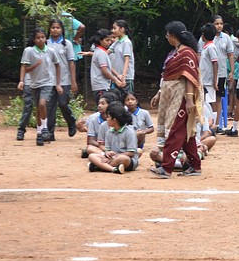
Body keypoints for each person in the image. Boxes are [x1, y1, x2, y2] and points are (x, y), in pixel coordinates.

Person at [149, 21, 203, 178]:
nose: (166, 37)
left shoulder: (187, 53)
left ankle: (166, 168)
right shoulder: (175, 52)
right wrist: (160, 92)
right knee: (186, 133)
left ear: (173, 36)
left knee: (175, 130)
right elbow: (167, 76)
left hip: (181, 98)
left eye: (167, 35)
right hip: (170, 96)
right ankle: (195, 166)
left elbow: (190, 78)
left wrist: (190, 100)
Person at [17, 27, 62, 146]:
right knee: (38, 108)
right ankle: (39, 132)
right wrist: (22, 80)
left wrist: (57, 83)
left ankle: (45, 128)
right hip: (34, 83)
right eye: (38, 38)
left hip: (47, 82)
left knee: (42, 104)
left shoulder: (50, 51)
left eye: (43, 37)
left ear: (46, 38)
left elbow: (57, 65)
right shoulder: (29, 51)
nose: (41, 39)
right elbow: (25, 68)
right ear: (34, 39)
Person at [45, 18, 78, 141]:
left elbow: (71, 62)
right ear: (49, 29)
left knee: (63, 103)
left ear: (62, 29)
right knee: (50, 106)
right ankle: (50, 133)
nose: (55, 30)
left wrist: (73, 81)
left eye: (57, 27)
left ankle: (71, 121)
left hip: (64, 79)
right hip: (49, 80)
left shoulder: (66, 44)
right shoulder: (46, 43)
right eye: (53, 27)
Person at [87, 101, 138, 174]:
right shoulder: (109, 132)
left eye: (108, 117)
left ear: (114, 120)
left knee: (123, 158)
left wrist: (115, 157)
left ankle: (99, 167)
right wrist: (108, 153)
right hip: (112, 158)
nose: (106, 119)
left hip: (127, 159)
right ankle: (113, 169)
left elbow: (131, 153)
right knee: (92, 156)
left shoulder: (129, 132)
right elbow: (107, 149)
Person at [82, 90, 119, 159]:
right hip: (101, 148)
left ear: (110, 105)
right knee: (90, 148)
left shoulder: (118, 118)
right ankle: (107, 156)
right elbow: (90, 141)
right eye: (99, 103)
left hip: (117, 147)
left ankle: (105, 156)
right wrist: (105, 148)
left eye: (102, 104)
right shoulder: (93, 119)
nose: (99, 106)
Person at [88, 29, 122, 103]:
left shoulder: (101, 52)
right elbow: (104, 71)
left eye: (110, 40)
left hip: (102, 84)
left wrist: (117, 75)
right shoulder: (101, 53)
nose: (109, 42)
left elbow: (107, 67)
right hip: (101, 85)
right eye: (107, 40)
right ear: (100, 40)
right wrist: (115, 80)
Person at [108, 19, 135, 94]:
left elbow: (127, 60)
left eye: (115, 28)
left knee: (128, 98)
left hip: (126, 78)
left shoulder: (126, 42)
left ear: (122, 29)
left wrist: (123, 77)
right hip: (117, 77)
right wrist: (91, 53)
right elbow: (105, 54)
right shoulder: (117, 42)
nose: (113, 30)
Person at [199, 23, 220, 116]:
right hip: (204, 79)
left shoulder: (211, 47)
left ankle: (214, 121)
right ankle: (208, 119)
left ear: (203, 35)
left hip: (209, 80)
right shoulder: (206, 47)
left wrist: (215, 81)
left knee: (210, 101)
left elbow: (215, 63)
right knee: (205, 101)